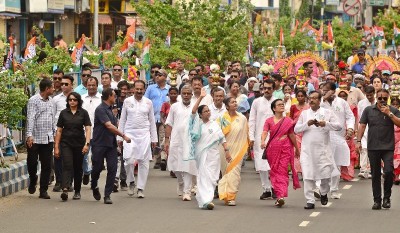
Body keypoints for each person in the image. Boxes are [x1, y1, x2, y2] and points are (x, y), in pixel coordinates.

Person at [294, 91, 342, 209]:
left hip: (322, 150)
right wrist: (307, 124)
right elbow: (296, 129)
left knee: (325, 175)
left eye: (314, 98)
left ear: (320, 100)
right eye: (310, 98)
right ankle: (310, 200)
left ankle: (324, 192)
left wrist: (325, 123)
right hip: (307, 151)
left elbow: (338, 126)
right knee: (308, 176)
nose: (312, 100)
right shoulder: (304, 114)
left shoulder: (327, 112)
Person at [357, 89, 400, 210]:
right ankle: (377, 200)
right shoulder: (368, 110)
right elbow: (362, 125)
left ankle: (387, 198)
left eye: (385, 99)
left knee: (388, 171)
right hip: (373, 147)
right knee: (375, 175)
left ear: (388, 98)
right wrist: (358, 141)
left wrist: (389, 114)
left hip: (388, 147)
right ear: (376, 97)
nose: (382, 101)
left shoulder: (393, 110)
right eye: (380, 98)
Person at [189, 89, 231, 210]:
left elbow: (222, 138)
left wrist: (227, 151)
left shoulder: (214, 124)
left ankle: (207, 199)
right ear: (200, 114)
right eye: (205, 111)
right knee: (203, 177)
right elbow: (193, 111)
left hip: (214, 155)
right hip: (202, 155)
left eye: (208, 110)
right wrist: (201, 98)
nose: (208, 112)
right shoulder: (196, 124)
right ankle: (206, 201)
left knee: (213, 178)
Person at [90, 88, 131, 204]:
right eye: (114, 96)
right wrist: (123, 135)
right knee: (97, 168)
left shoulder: (110, 110)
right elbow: (109, 126)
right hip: (99, 144)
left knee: (112, 169)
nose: (116, 98)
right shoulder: (100, 109)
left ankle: (107, 195)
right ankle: (94, 186)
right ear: (109, 96)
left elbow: (116, 124)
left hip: (111, 144)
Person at [118, 80, 157, 198]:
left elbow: (152, 121)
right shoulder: (127, 101)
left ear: (144, 90)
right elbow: (123, 120)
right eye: (137, 89)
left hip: (144, 134)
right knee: (128, 160)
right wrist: (119, 137)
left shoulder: (148, 103)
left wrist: (154, 138)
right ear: (133, 89)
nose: (139, 91)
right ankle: (131, 182)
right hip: (129, 134)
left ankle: (140, 188)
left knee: (143, 162)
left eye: (141, 89)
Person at [261, 99, 301, 207]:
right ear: (274, 108)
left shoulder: (288, 121)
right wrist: (262, 141)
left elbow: (291, 135)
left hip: (285, 148)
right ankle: (279, 194)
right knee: (274, 171)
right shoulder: (269, 120)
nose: (281, 106)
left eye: (282, 105)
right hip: (272, 149)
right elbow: (264, 132)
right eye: (279, 105)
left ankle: (280, 196)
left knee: (282, 171)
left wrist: (297, 148)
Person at [54, 92, 91, 201]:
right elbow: (59, 130)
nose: (72, 102)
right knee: (67, 164)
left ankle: (77, 191)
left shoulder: (83, 113)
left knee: (77, 168)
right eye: (70, 100)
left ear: (78, 101)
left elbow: (88, 129)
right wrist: (56, 146)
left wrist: (87, 144)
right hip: (66, 143)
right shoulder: (63, 113)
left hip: (79, 144)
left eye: (74, 100)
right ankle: (65, 189)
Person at [321, 82, 355, 199]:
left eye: (326, 90)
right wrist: (323, 98)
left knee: (337, 162)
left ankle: (334, 189)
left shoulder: (342, 103)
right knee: (324, 163)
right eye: (323, 90)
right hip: (323, 137)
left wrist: (350, 128)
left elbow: (350, 116)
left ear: (333, 91)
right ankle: (321, 188)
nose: (324, 92)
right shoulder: (320, 102)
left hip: (339, 137)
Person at [164, 85, 197, 201]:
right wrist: (167, 140)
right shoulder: (175, 107)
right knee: (174, 164)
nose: (186, 96)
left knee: (188, 166)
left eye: (189, 93)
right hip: (176, 139)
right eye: (184, 93)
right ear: (181, 94)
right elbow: (169, 123)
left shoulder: (195, 106)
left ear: (192, 95)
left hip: (190, 141)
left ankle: (187, 192)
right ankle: (180, 182)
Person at [217, 97, 249, 206]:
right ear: (226, 106)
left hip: (238, 149)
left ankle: (231, 196)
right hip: (224, 149)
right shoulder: (222, 118)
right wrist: (225, 149)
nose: (235, 103)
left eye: (235, 101)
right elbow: (218, 135)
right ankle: (225, 194)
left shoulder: (242, 118)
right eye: (232, 102)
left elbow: (245, 134)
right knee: (226, 171)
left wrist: (246, 147)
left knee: (235, 172)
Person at [26, 78, 55, 199]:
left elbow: (52, 118)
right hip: (35, 137)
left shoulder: (51, 101)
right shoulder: (34, 100)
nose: (53, 89)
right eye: (52, 87)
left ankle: (43, 190)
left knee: (47, 165)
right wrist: (29, 135)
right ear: (47, 89)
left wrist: (54, 134)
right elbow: (30, 118)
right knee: (32, 162)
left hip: (48, 137)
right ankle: (33, 179)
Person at [249, 79, 276, 200]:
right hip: (260, 137)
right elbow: (252, 120)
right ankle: (266, 189)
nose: (266, 90)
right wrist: (251, 136)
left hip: (275, 137)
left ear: (273, 89)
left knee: (274, 164)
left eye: (269, 88)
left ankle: (275, 187)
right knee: (261, 164)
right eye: (264, 88)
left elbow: (283, 120)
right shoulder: (256, 102)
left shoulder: (277, 102)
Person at [52, 75, 74, 192]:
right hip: (59, 132)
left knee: (71, 158)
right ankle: (59, 181)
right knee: (58, 156)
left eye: (66, 84)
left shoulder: (76, 98)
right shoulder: (56, 99)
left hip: (73, 133)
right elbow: (53, 116)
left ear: (72, 85)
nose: (64, 86)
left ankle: (69, 182)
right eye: (62, 84)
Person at [145, 69, 170, 169]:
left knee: (163, 138)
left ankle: (163, 158)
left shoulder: (169, 88)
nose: (157, 76)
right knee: (154, 139)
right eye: (156, 75)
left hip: (164, 118)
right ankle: (157, 159)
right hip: (152, 117)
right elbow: (146, 100)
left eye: (159, 75)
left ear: (165, 76)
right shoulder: (151, 88)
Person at [81, 77, 102, 185]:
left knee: (96, 158)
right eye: (89, 85)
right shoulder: (81, 98)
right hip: (85, 133)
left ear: (97, 86)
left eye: (93, 85)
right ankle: (86, 172)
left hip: (98, 133)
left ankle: (94, 180)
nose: (91, 87)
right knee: (83, 156)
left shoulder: (101, 99)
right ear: (86, 86)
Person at [289, 89, 309, 179]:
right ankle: (296, 171)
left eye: (302, 96)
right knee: (296, 151)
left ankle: (305, 171)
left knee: (305, 152)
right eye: (298, 96)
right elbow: (291, 119)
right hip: (296, 132)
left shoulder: (308, 107)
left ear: (305, 97)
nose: (300, 97)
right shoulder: (293, 107)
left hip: (306, 132)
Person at [357, 86, 375, 179]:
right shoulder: (361, 103)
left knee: (373, 150)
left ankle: (373, 169)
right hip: (364, 127)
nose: (369, 97)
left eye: (370, 95)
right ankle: (363, 169)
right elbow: (359, 117)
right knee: (363, 148)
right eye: (367, 95)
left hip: (375, 128)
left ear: (374, 93)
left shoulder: (378, 102)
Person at [160, 87, 179, 171]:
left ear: (178, 94)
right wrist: (165, 124)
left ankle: (174, 166)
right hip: (167, 127)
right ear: (168, 94)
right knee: (165, 142)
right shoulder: (165, 104)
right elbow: (161, 116)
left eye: (175, 93)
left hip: (177, 128)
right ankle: (163, 158)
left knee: (174, 145)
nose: (173, 95)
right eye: (171, 93)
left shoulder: (179, 105)